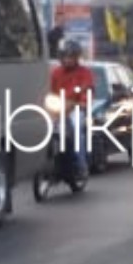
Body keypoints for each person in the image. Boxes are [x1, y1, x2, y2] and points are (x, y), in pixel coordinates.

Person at [48, 41, 96, 180]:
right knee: (45, 129)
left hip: (75, 108)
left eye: (71, 56)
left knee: (76, 132)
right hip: (58, 109)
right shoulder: (55, 72)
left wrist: (82, 103)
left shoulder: (84, 73)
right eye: (66, 56)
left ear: (77, 58)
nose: (68, 59)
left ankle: (81, 165)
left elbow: (88, 90)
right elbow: (50, 91)